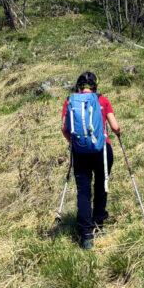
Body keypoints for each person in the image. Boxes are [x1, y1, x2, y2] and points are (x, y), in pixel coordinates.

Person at [61, 70, 121, 249]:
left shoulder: (70, 101)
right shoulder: (102, 100)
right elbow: (115, 126)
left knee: (84, 192)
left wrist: (76, 143)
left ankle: (86, 235)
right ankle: (98, 224)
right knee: (101, 186)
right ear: (95, 86)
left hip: (80, 152)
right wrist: (118, 132)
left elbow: (64, 129)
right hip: (102, 151)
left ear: (78, 87)